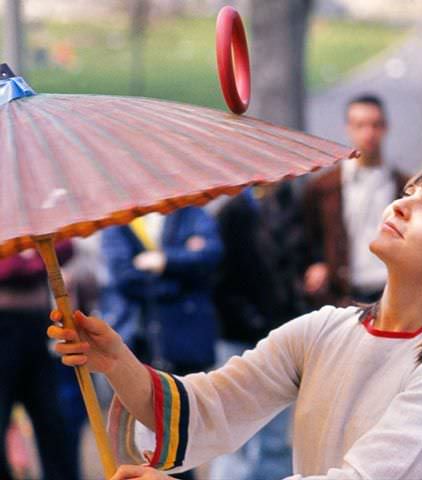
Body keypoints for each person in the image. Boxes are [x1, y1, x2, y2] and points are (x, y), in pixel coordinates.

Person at [48, 160, 422, 480]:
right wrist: (116, 362)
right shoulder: (325, 330)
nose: (401, 205)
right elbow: (209, 408)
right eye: (408, 191)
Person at [100, 207, 223, 480]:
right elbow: (124, 276)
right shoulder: (118, 221)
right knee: (144, 442)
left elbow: (210, 255)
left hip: (185, 342)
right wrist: (179, 281)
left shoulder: (191, 212)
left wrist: (164, 261)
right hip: (140, 345)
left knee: (185, 437)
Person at [210, 183, 307, 479]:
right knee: (235, 431)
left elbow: (296, 262)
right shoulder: (232, 212)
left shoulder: (292, 206)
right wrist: (248, 316)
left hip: (281, 329)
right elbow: (219, 279)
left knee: (275, 433)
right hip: (239, 333)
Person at [303, 94, 407, 307]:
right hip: (343, 293)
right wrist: (317, 264)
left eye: (375, 125)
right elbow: (306, 235)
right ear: (349, 128)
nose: (368, 133)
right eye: (360, 125)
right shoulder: (324, 187)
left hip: (392, 292)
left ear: (385, 128)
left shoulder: (405, 186)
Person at [0, 241, 79, 480]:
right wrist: (32, 260)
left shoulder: (30, 211)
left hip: (37, 326)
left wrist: (28, 258)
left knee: (53, 421)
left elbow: (65, 246)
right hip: (4, 328)